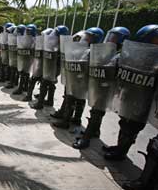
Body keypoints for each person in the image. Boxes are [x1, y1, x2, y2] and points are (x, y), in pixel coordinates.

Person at [103, 25, 158, 161]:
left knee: (132, 127)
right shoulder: (131, 54)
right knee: (124, 122)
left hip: (143, 99)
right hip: (129, 95)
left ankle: (121, 152)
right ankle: (119, 147)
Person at [73, 27, 130, 149]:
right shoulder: (105, 51)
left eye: (114, 37)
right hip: (101, 85)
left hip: (111, 88)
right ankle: (95, 131)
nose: (110, 39)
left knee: (97, 111)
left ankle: (86, 139)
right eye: (110, 36)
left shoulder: (123, 55)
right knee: (97, 110)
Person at [52, 27, 104, 132]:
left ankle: (66, 121)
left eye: (89, 36)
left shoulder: (91, 51)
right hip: (79, 77)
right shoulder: (89, 49)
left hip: (80, 78)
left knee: (71, 98)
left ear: (95, 38)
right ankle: (76, 118)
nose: (86, 38)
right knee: (79, 99)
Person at [30, 25, 69, 109]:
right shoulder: (56, 43)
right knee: (50, 83)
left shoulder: (62, 45)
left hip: (55, 67)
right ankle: (50, 101)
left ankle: (40, 103)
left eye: (57, 34)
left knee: (45, 83)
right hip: (51, 66)